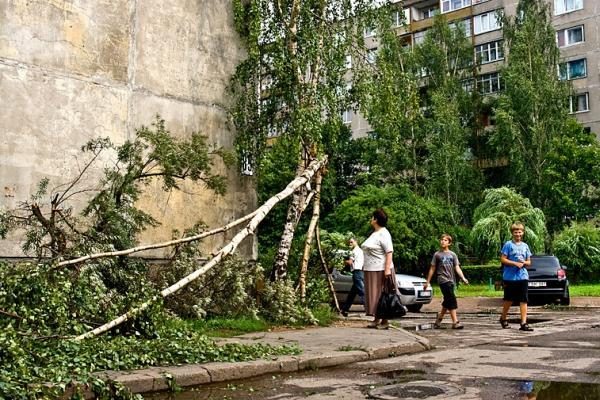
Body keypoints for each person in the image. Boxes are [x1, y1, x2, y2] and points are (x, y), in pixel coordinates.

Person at [424, 234, 469, 329]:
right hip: (442, 280)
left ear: (449, 243)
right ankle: (455, 322)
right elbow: (432, 268)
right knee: (451, 298)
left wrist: (463, 278)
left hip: (451, 280)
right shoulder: (437, 255)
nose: (442, 241)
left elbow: (457, 267)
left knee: (447, 300)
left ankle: (439, 319)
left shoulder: (453, 255)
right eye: (441, 240)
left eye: (445, 240)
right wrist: (427, 281)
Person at [361, 208, 395, 330]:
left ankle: (385, 321)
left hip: (380, 269)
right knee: (374, 295)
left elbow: (389, 252)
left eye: (372, 217)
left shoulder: (384, 234)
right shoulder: (375, 233)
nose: (371, 219)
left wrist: (387, 270)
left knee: (382, 295)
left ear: (376, 219)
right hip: (371, 269)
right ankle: (376, 319)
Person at [499, 222, 534, 331]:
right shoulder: (508, 245)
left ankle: (523, 323)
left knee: (523, 299)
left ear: (523, 233)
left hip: (522, 276)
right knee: (509, 299)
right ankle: (503, 318)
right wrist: (514, 263)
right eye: (515, 232)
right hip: (510, 277)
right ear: (512, 233)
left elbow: (529, 262)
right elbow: (503, 259)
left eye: (520, 232)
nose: (518, 234)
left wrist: (523, 262)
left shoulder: (525, 246)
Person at [340, 238, 365, 317]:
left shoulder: (353, 252)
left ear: (356, 241)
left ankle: (372, 308)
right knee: (352, 293)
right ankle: (345, 310)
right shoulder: (361, 251)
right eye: (349, 242)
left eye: (351, 242)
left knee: (362, 292)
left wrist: (342, 261)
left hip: (357, 273)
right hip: (360, 272)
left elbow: (350, 262)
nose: (350, 243)